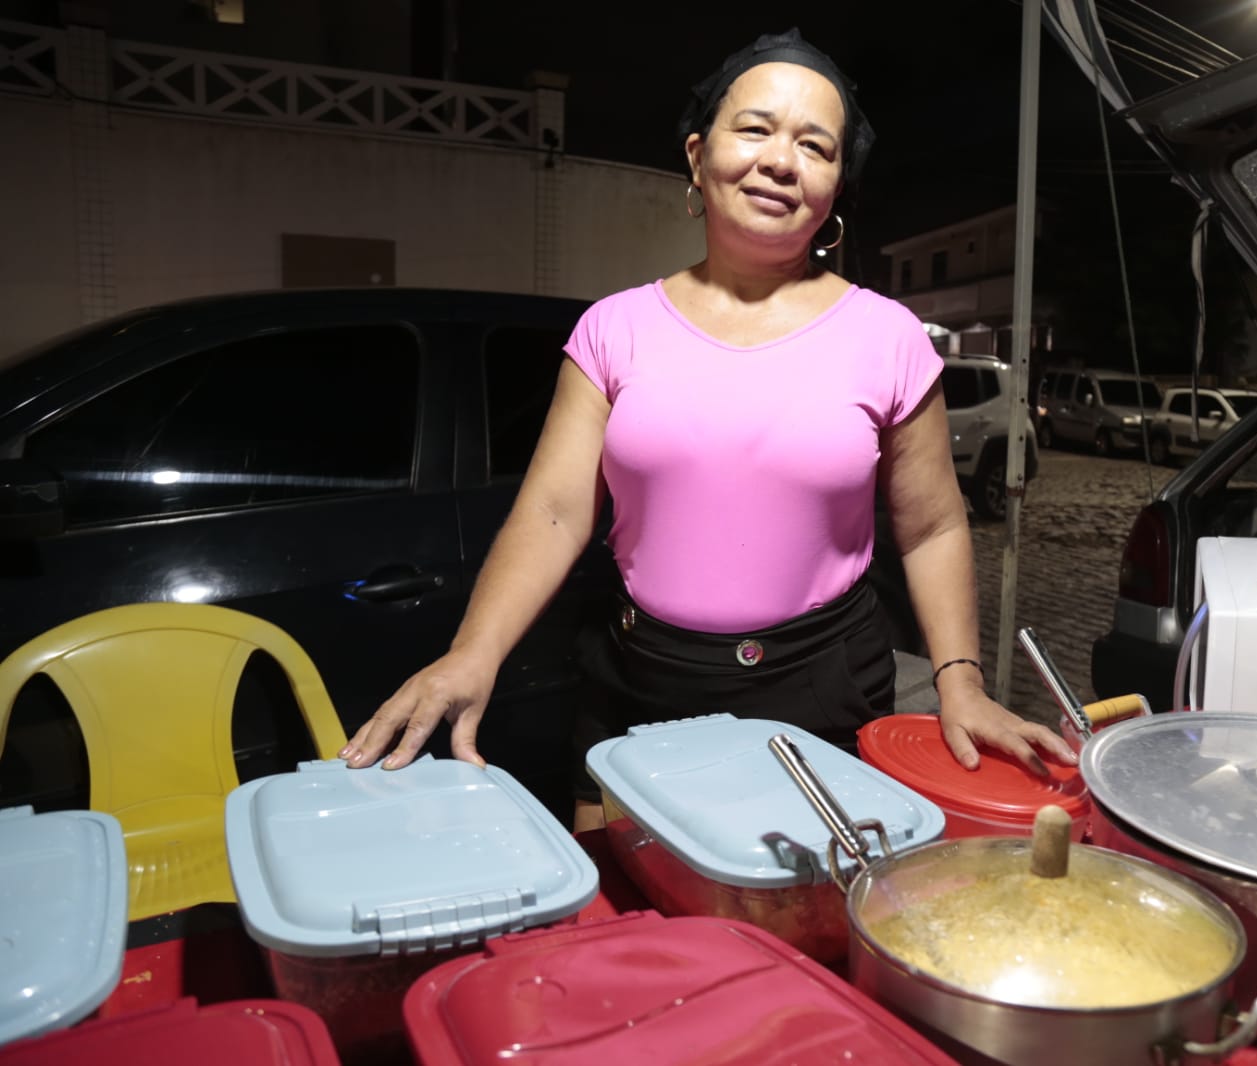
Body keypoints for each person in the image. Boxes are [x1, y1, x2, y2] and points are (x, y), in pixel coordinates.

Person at [339, 28, 1074, 828]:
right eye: (753, 128)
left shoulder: (886, 336)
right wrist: (472, 654)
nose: (780, 161)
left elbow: (931, 527)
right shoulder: (613, 330)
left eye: (814, 146)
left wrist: (957, 680)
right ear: (697, 156)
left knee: (800, 922)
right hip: (636, 679)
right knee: (631, 926)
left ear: (834, 187)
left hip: (821, 686)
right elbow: (553, 509)